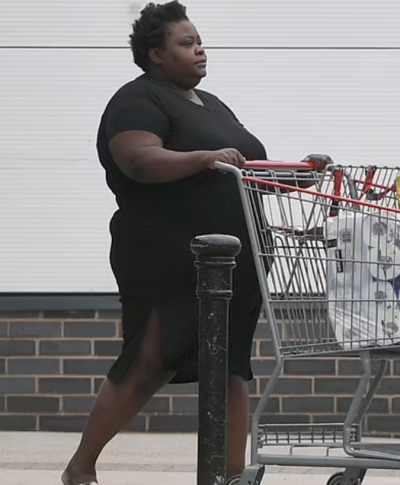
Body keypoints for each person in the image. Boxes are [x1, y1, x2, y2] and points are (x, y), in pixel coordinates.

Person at [61, 2, 332, 484]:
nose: (200, 50)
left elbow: (244, 171)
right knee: (152, 356)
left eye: (199, 40)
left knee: (232, 367)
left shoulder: (214, 105)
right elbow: (139, 160)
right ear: (156, 54)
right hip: (168, 257)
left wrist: (300, 175)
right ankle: (81, 467)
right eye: (187, 43)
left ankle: (229, 476)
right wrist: (204, 157)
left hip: (237, 262)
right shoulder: (138, 99)